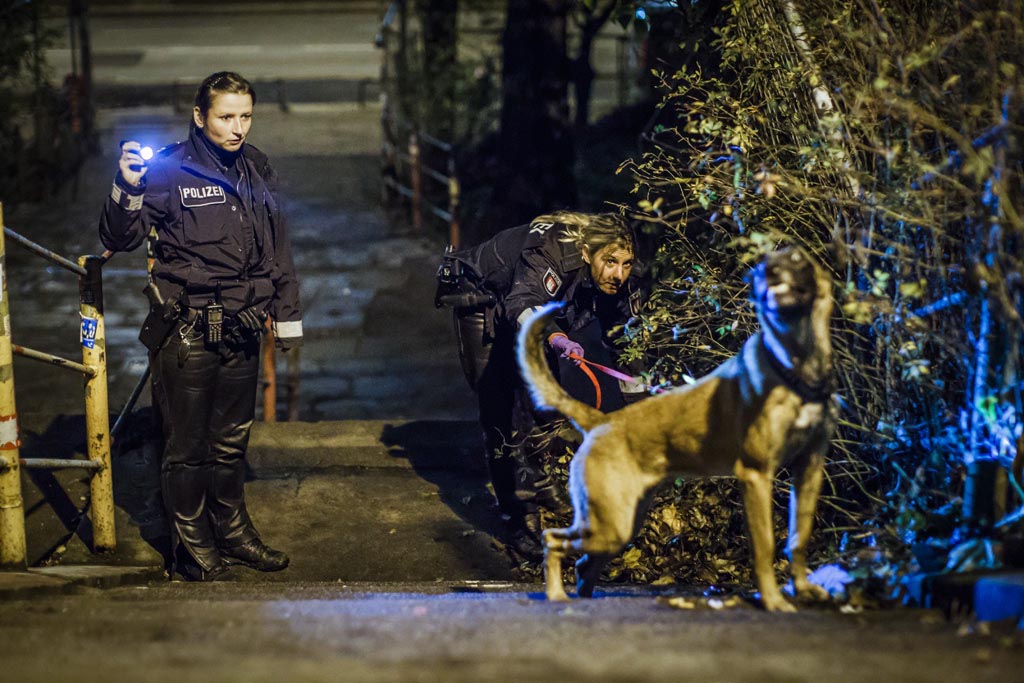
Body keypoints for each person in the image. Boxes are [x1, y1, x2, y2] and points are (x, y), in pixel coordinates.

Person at [99, 72, 303, 581]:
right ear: (199, 116)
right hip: (188, 330)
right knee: (187, 449)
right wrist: (127, 184)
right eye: (226, 117)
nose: (238, 128)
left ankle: (233, 534)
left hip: (243, 326)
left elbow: (278, 245)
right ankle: (192, 549)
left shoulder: (257, 166)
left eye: (245, 116)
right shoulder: (168, 170)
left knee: (231, 442)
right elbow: (119, 238)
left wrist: (287, 313)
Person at [435, 211, 647, 559]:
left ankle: (541, 484)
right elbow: (521, 303)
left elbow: (626, 343)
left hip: (534, 313)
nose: (618, 274)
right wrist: (558, 338)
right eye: (610, 262)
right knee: (502, 410)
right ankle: (519, 517)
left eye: (625, 264)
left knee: (544, 405)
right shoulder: (551, 251)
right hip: (487, 299)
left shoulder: (624, 278)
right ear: (586, 253)